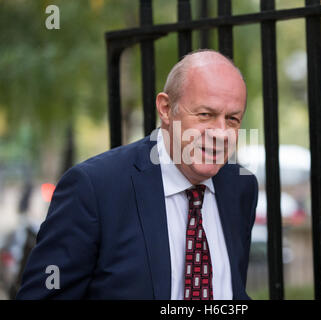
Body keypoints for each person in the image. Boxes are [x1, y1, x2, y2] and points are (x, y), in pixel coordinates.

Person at [16, 49, 258, 300]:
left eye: (232, 119)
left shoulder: (240, 187)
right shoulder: (95, 189)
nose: (220, 133)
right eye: (205, 115)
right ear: (165, 108)